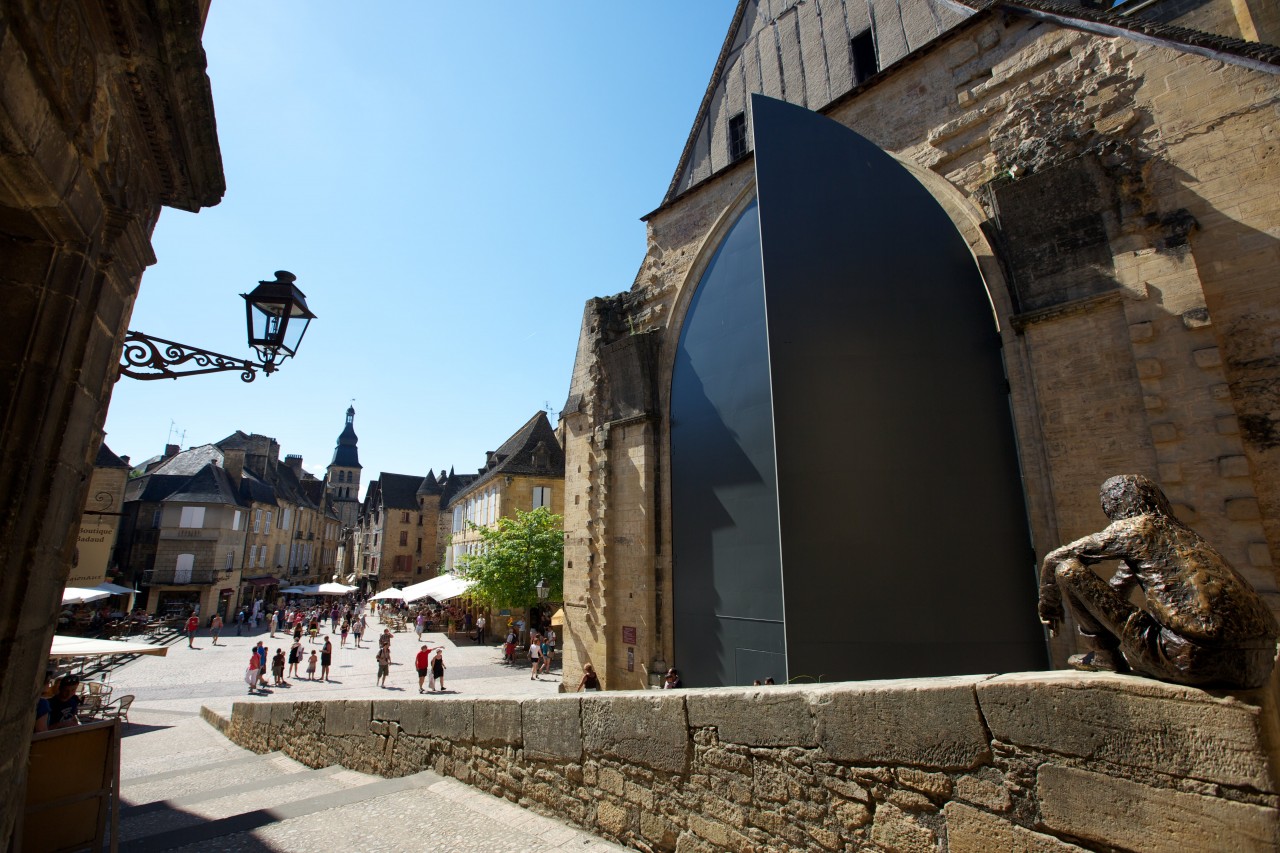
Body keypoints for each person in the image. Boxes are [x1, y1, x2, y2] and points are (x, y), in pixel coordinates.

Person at [1039, 474, 1279, 688]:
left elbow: (1054, 559)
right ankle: (1107, 655)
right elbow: (1114, 592)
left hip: (1193, 658)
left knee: (1067, 570)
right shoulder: (1179, 533)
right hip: (1256, 664)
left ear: (1113, 504)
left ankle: (1105, 656)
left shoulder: (1135, 528)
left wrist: (1049, 605)